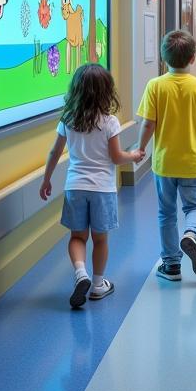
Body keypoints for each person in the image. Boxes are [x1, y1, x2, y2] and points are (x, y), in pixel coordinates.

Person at [40, 64, 144, 310]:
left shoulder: (68, 119)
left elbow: (55, 151)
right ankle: (98, 285)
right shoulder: (109, 122)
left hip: (75, 186)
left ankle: (80, 274)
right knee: (100, 239)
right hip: (102, 189)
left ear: (76, 90)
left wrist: (46, 179)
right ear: (106, 91)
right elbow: (117, 157)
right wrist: (134, 155)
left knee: (77, 237)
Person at [138, 30, 196, 283]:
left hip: (164, 163)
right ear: (193, 58)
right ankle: (193, 233)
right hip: (193, 163)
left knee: (166, 213)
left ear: (163, 58)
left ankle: (171, 265)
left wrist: (141, 148)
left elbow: (148, 124)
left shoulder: (155, 86)